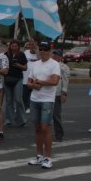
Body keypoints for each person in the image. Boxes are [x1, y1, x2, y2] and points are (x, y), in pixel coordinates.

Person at [26, 41, 61, 169]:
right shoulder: (35, 64)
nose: (43, 52)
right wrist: (34, 85)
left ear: (50, 51)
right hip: (35, 98)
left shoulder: (54, 64)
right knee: (37, 128)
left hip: (47, 99)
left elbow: (54, 81)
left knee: (45, 127)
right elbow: (29, 82)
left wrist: (39, 82)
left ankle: (48, 157)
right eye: (41, 49)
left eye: (45, 49)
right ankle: (39, 156)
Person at [2, 40, 27, 129]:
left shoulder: (21, 55)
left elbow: (25, 68)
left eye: (15, 46)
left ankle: (22, 120)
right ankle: (9, 120)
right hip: (7, 80)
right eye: (12, 46)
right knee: (8, 101)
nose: (14, 48)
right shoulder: (5, 55)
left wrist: (18, 65)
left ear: (18, 47)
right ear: (10, 47)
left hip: (18, 79)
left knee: (18, 99)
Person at [52, 49, 71, 142]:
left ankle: (59, 134)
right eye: (54, 54)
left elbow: (66, 81)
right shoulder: (49, 64)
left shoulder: (64, 67)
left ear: (60, 57)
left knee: (56, 115)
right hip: (47, 93)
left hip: (57, 93)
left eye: (57, 55)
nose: (54, 56)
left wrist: (64, 93)